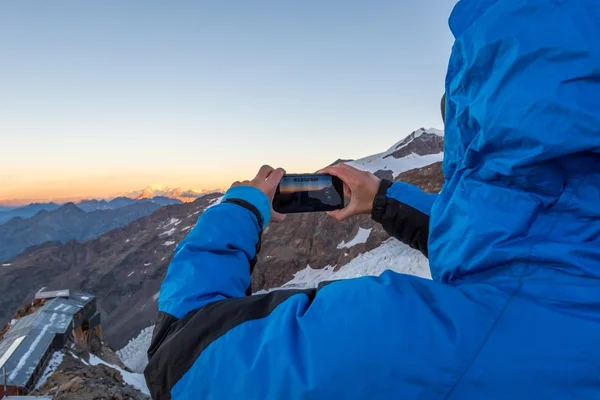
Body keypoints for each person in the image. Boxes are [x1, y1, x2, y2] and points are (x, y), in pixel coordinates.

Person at [144, 0, 600, 398]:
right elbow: (539, 229)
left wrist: (238, 212)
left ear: (478, 116)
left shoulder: (434, 343)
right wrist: (383, 199)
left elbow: (180, 353)